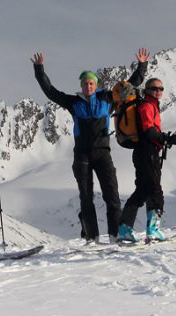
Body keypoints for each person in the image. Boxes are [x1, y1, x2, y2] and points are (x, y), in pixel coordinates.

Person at [31, 48, 150, 243]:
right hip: (82, 156)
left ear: (96, 85)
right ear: (81, 85)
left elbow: (131, 84)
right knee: (85, 197)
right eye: (85, 83)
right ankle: (91, 237)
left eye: (91, 83)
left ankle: (115, 235)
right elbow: (50, 92)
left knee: (111, 195)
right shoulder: (73, 102)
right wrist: (39, 70)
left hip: (103, 153)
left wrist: (142, 65)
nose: (88, 85)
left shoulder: (108, 98)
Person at [117, 78, 176, 242]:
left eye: (161, 88)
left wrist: (164, 139)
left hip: (143, 152)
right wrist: (167, 138)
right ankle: (153, 230)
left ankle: (125, 229)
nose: (158, 91)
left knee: (142, 190)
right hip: (147, 152)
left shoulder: (150, 105)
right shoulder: (147, 105)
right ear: (147, 90)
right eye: (154, 88)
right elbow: (149, 130)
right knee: (155, 190)